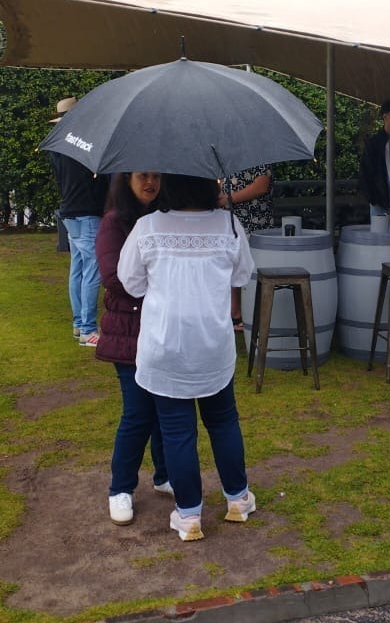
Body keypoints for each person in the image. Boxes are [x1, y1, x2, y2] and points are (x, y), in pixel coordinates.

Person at [118, 174, 257, 542]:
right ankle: (238, 499)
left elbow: (131, 282)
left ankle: (189, 514)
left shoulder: (148, 227)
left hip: (165, 345)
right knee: (223, 422)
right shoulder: (228, 225)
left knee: (177, 431)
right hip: (212, 344)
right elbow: (242, 275)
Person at [97, 171, 171, 526]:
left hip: (162, 330)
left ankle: (165, 475)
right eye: (142, 176)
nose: (149, 182)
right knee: (138, 412)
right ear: (126, 180)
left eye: (156, 176)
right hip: (129, 332)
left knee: (165, 409)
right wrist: (162, 283)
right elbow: (113, 277)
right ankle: (121, 488)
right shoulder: (114, 222)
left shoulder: (167, 218)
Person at [48, 96, 111, 347]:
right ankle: (87, 329)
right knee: (92, 271)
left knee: (78, 269)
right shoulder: (87, 144)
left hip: (69, 212)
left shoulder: (57, 146)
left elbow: (60, 181)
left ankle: (78, 324)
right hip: (87, 213)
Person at [219, 164, 273, 331]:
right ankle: (235, 314)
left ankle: (251, 316)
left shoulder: (260, 157)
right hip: (229, 221)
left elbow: (261, 186)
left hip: (254, 223)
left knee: (251, 271)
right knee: (230, 267)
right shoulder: (228, 157)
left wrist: (228, 199)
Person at [357, 99, 390, 221]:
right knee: (381, 234)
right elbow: (365, 173)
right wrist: (373, 199)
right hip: (382, 204)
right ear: (385, 116)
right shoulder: (374, 143)